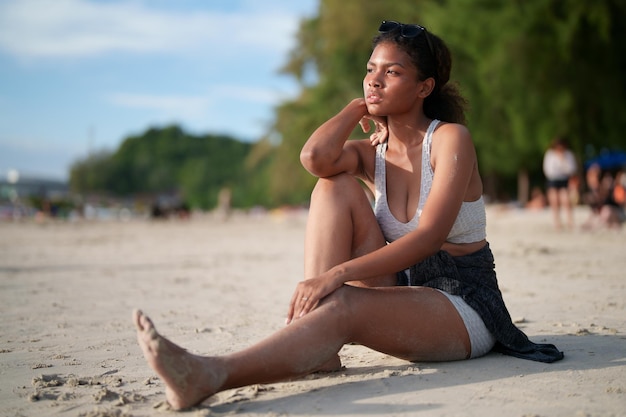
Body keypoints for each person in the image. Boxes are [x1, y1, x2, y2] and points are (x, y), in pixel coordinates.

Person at [134, 20, 564, 410]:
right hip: (402, 287)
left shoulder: (451, 140)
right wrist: (355, 109)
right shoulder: (369, 152)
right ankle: (320, 352)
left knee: (343, 303)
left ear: (424, 87)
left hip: (463, 302)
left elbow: (430, 236)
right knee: (332, 186)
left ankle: (210, 374)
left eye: (391, 72)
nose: (375, 80)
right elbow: (315, 158)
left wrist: (337, 273)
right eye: (371, 69)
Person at [542, 137, 577, 230]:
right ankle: (557, 222)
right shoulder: (550, 154)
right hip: (553, 180)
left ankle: (570, 220)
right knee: (554, 201)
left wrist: (563, 161)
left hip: (564, 179)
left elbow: (571, 169)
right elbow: (548, 170)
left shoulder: (568, 155)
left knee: (566, 200)